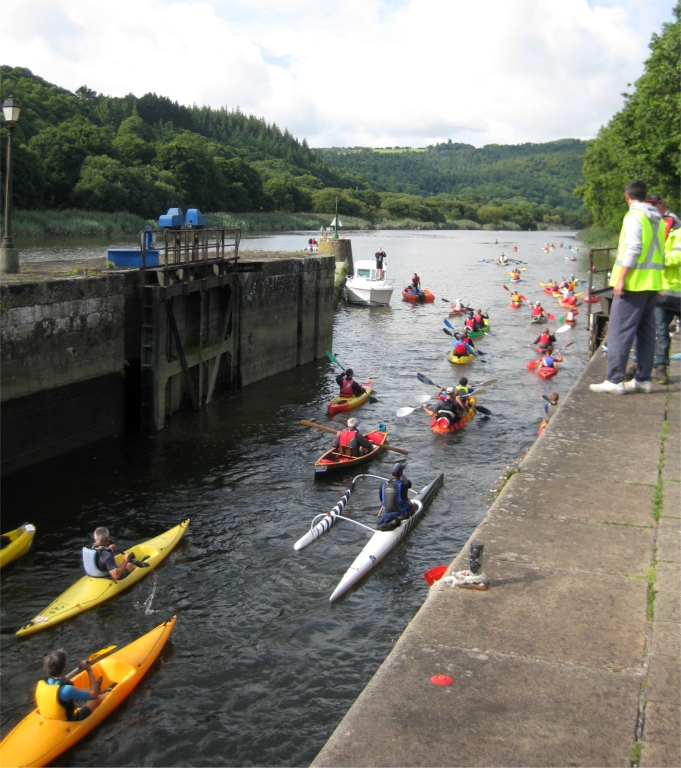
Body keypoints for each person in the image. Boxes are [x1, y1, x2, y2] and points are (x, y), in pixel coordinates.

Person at [590, 179, 665, 394]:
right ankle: (643, 380)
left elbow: (633, 248)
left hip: (633, 283)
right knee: (646, 332)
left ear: (627, 196)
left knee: (619, 331)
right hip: (652, 283)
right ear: (645, 195)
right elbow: (660, 252)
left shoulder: (634, 216)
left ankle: (614, 380)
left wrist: (621, 278)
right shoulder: (657, 219)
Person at [647, 195, 681, 385]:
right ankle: (661, 368)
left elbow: (678, 257)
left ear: (662, 205)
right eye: (648, 205)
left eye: (654, 205)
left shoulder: (678, 228)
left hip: (678, 290)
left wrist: (657, 257)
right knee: (660, 331)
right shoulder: (653, 227)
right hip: (662, 291)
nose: (651, 208)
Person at [35, 649, 114, 721]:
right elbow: (94, 695)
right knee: (96, 698)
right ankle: (108, 692)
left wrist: (81, 668)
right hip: (69, 723)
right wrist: (89, 670)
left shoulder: (42, 683)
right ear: (63, 668)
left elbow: (61, 683)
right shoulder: (67, 690)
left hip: (50, 718)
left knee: (82, 691)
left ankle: (95, 687)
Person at [82, 527, 147, 580]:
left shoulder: (91, 547)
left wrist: (109, 549)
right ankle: (138, 564)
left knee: (116, 563)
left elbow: (101, 556)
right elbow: (116, 576)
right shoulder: (107, 555)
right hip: (105, 578)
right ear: (107, 539)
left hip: (94, 573)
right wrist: (125, 561)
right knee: (129, 565)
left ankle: (131, 561)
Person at [376, 464, 416, 530]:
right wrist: (402, 476)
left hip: (385, 512)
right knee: (415, 505)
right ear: (401, 473)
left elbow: (381, 500)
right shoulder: (404, 484)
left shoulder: (382, 485)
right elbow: (409, 483)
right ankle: (401, 520)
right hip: (399, 512)